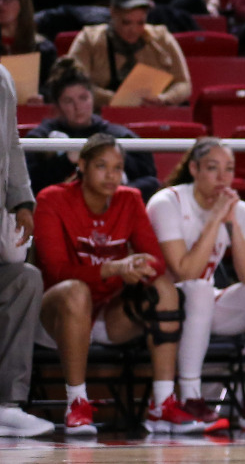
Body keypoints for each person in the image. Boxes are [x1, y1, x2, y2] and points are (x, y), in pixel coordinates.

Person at [35, 134, 192, 433]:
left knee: (164, 289)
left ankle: (162, 403)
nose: (111, 175)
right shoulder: (51, 198)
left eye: (117, 168)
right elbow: (56, 271)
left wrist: (136, 265)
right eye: (101, 166)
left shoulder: (129, 199)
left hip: (108, 313)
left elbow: (156, 260)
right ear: (81, 165)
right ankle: (76, 404)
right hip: (56, 316)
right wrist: (112, 268)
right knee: (75, 290)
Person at [147, 137, 245, 431]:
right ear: (194, 169)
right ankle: (190, 397)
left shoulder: (241, 210)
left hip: (201, 307)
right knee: (198, 287)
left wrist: (233, 223)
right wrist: (213, 221)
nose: (223, 178)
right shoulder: (167, 202)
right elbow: (185, 272)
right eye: (213, 168)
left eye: (229, 169)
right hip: (160, 309)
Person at [0, 50, 54, 437]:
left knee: (25, 279)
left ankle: (7, 405)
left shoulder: (2, 77)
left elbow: (12, 143)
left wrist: (21, 200)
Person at [28, 59, 157, 196]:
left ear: (93, 98)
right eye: (68, 101)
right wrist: (64, 161)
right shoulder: (40, 138)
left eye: (83, 98)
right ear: (58, 105)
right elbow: (31, 184)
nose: (78, 107)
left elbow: (150, 178)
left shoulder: (120, 136)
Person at [66, 0, 192, 109]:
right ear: (112, 12)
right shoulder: (89, 40)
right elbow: (75, 84)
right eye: (126, 22)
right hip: (103, 115)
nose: (134, 30)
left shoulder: (162, 39)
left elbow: (183, 84)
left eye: (140, 23)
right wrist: (117, 100)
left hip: (153, 111)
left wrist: (163, 99)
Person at [0, 0, 53, 97]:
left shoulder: (44, 49)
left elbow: (52, 89)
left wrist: (42, 97)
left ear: (23, 2)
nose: (0, 4)